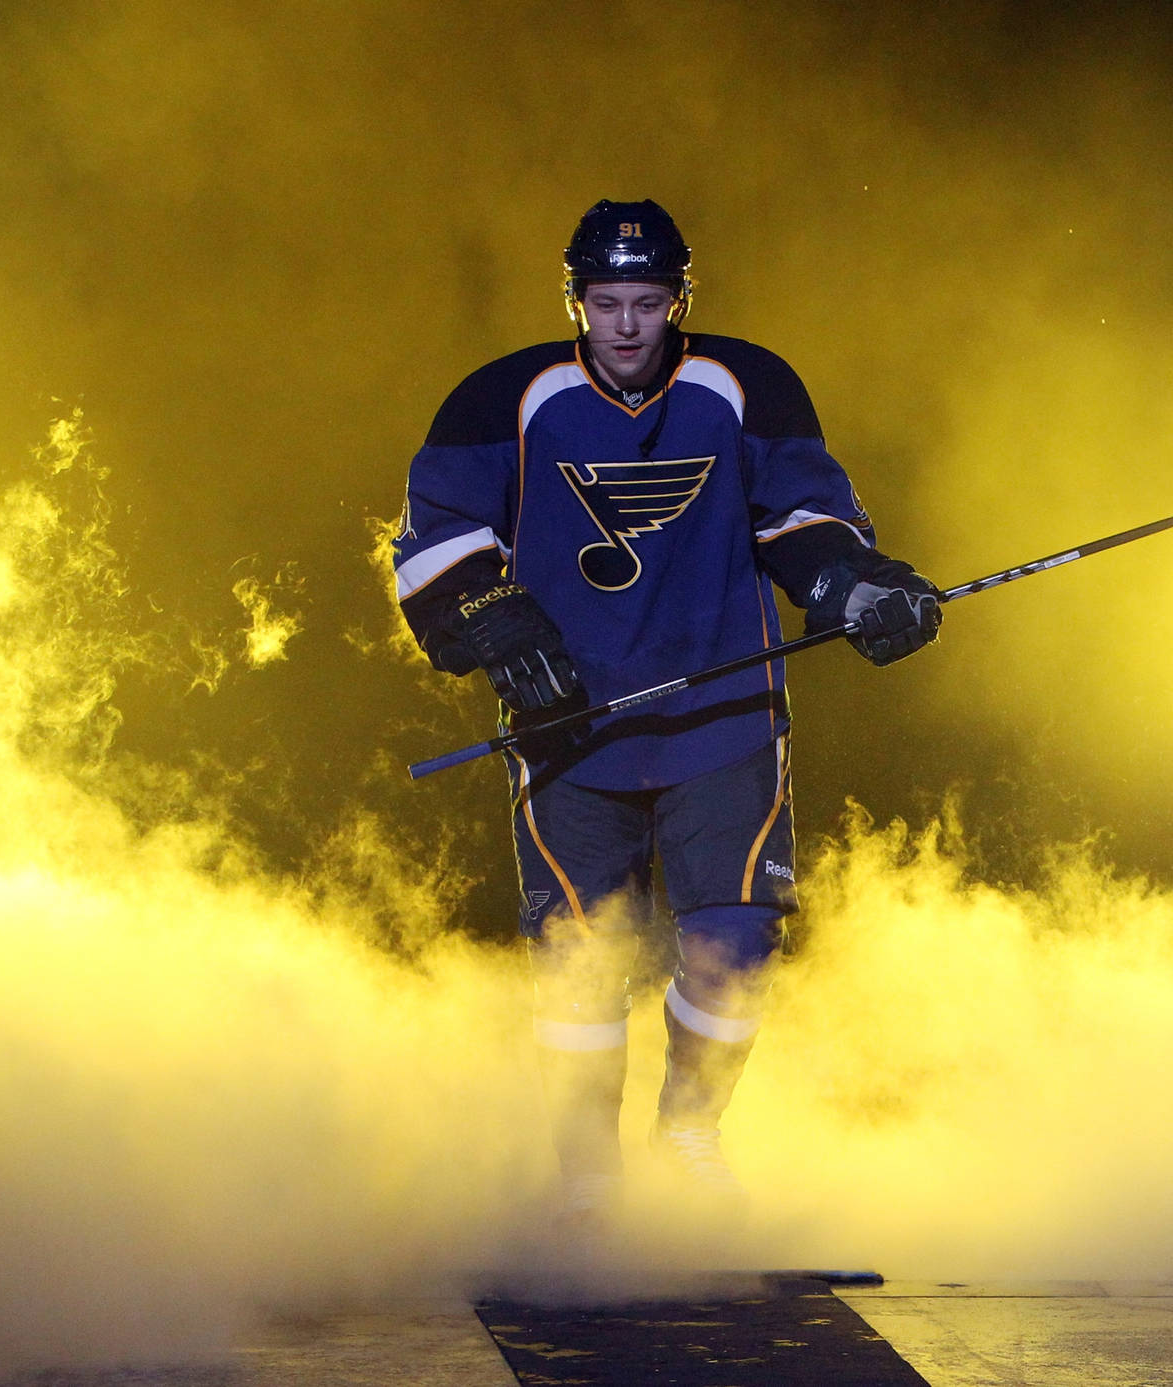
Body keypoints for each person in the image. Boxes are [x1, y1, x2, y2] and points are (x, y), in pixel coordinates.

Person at [392, 199, 941, 1224]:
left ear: (682, 298)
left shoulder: (746, 383)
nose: (631, 326)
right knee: (580, 956)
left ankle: (689, 1130)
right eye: (609, 303)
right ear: (577, 302)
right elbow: (433, 538)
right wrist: (499, 624)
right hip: (571, 730)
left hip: (724, 710)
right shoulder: (500, 398)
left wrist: (853, 588)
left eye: (651, 302)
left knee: (735, 938)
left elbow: (805, 518)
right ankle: (590, 1176)